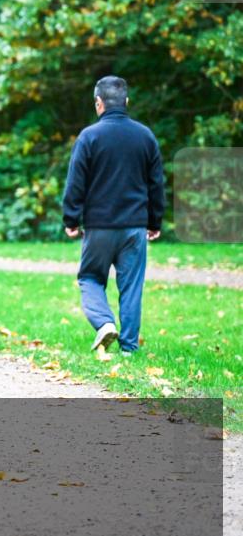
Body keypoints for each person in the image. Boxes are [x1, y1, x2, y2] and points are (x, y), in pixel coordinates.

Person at [62, 75, 165, 357]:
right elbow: (156, 183)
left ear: (99, 103)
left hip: (99, 227)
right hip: (134, 226)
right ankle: (129, 349)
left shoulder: (89, 137)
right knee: (131, 286)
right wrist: (155, 221)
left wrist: (71, 219)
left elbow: (75, 182)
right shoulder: (145, 136)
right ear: (126, 102)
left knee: (90, 278)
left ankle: (104, 322)